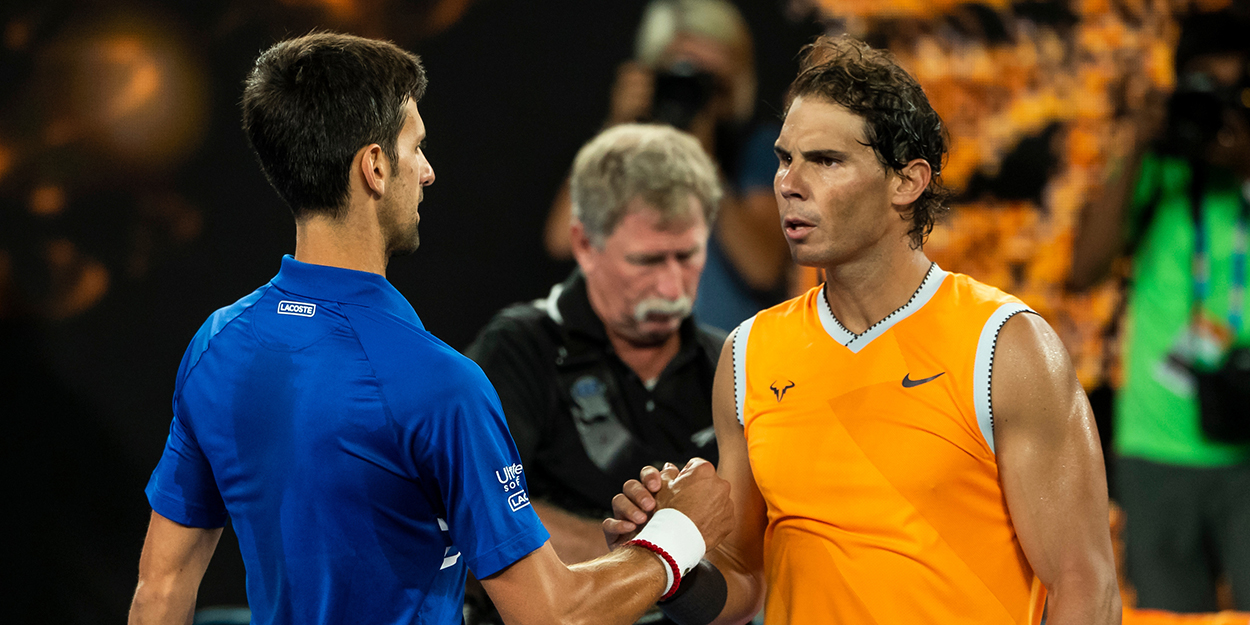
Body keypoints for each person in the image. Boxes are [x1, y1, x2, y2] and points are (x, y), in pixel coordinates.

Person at [127, 32, 734, 625]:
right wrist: (677, 538)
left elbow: (161, 590)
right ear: (374, 168)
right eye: (415, 147)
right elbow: (554, 613)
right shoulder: (441, 386)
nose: (428, 171)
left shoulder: (216, 345)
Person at [605, 35, 1120, 625]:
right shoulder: (748, 355)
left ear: (907, 181)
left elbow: (1085, 587)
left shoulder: (1005, 347)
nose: (789, 183)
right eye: (783, 158)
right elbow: (745, 582)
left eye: (825, 161)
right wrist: (668, 566)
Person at [464, 124, 726, 624]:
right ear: (583, 243)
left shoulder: (730, 362)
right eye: (647, 260)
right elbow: (473, 518)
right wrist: (661, 548)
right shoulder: (520, 348)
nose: (672, 285)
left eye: (688, 255)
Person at [1069, 9, 1250, 612]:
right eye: (1203, 90)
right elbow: (1083, 268)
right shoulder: (1160, 169)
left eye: (1233, 94)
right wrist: (1141, 142)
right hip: (1156, 449)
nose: (1215, 110)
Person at [544, 0, 790, 333]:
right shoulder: (630, 147)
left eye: (708, 82)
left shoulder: (756, 149)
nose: (692, 95)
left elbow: (762, 268)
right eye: (680, 75)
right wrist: (615, 127)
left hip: (723, 357)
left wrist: (703, 160)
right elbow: (561, 238)